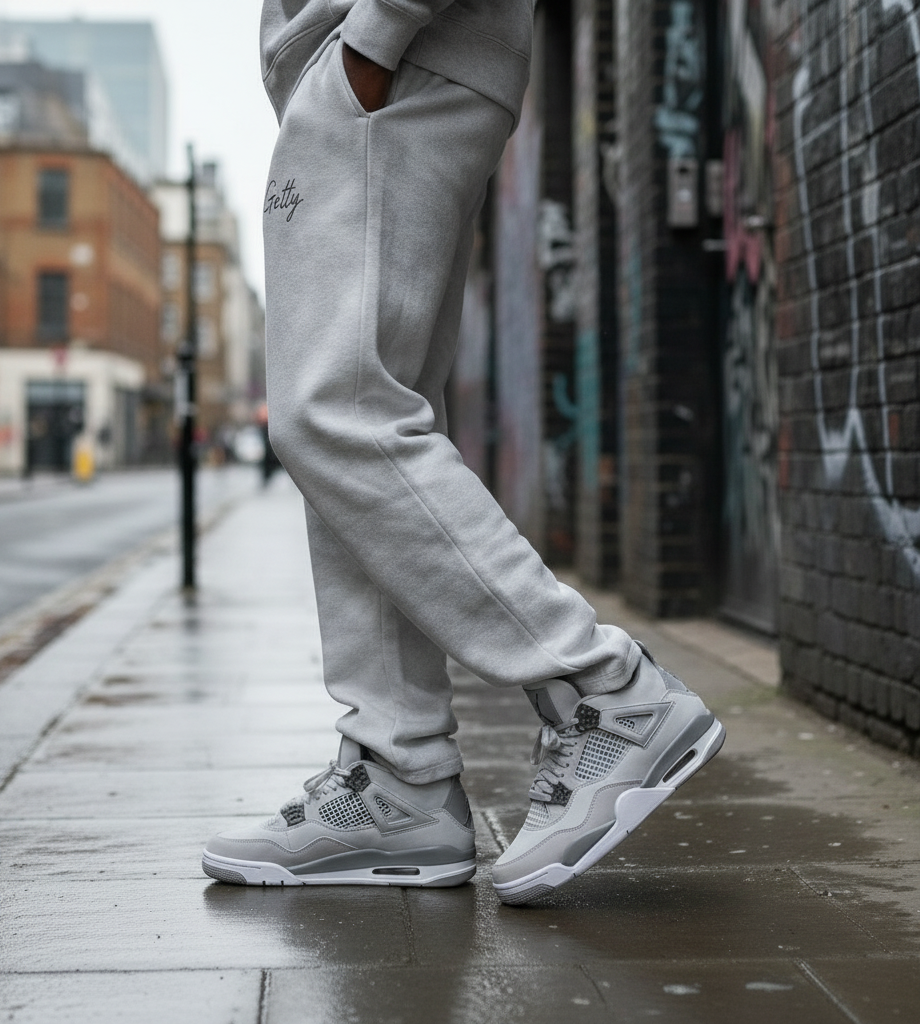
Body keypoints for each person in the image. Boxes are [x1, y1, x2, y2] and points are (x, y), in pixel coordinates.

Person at [202, 0, 724, 905]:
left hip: (385, 64)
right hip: (375, 71)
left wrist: (374, 36)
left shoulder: (378, 54)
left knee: (333, 415)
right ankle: (399, 778)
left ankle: (603, 690)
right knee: (362, 422)